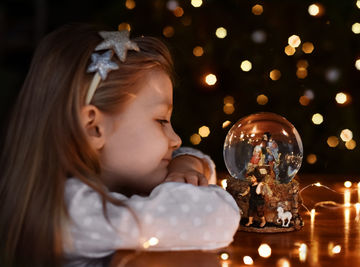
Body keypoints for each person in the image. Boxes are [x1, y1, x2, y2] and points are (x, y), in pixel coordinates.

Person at [0, 24, 240, 267]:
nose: (176, 140)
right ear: (94, 128)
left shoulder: (103, 192)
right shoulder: (73, 210)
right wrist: (189, 174)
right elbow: (216, 218)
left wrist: (185, 163)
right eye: (161, 121)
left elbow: (200, 163)